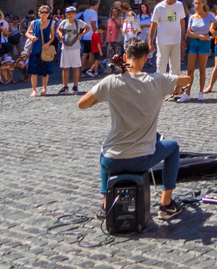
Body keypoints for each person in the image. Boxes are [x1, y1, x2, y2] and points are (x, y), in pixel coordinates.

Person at [78, 38, 193, 221]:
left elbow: (82, 104)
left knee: (105, 148)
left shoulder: (110, 82)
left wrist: (97, 100)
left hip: (112, 161)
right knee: (173, 147)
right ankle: (166, 204)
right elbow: (187, 79)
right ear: (146, 57)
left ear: (125, 56)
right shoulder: (158, 80)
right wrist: (175, 87)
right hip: (142, 159)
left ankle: (106, 203)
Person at [178, 0, 217, 102]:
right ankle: (187, 93)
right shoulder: (192, 16)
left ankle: (201, 91)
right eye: (195, 3)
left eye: (199, 3)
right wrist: (199, 36)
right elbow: (189, 33)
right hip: (194, 42)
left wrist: (211, 37)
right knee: (190, 69)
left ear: (203, 4)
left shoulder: (209, 16)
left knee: (202, 69)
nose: (197, 5)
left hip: (204, 43)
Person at [149, 0, 186, 77]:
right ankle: (160, 86)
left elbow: (182, 21)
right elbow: (153, 24)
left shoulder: (179, 5)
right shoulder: (159, 7)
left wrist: (183, 38)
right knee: (161, 65)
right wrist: (150, 42)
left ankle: (174, 88)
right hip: (163, 41)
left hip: (176, 40)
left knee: (176, 67)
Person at [25, 5, 56, 97]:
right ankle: (34, 90)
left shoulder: (51, 23)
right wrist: (31, 37)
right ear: (39, 13)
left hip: (45, 49)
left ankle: (44, 89)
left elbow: (53, 36)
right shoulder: (34, 23)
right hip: (36, 48)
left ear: (49, 14)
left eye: (46, 12)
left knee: (45, 71)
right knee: (34, 71)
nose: (44, 14)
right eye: (42, 12)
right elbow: (27, 32)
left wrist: (48, 43)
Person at [57, 6, 88, 94]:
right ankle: (65, 86)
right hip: (65, 47)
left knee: (75, 67)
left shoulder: (79, 22)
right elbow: (58, 29)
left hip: (75, 47)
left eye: (72, 13)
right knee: (65, 67)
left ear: (75, 14)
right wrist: (60, 35)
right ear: (66, 14)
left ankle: (75, 86)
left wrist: (80, 35)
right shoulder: (63, 23)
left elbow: (88, 28)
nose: (71, 15)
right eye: (69, 14)